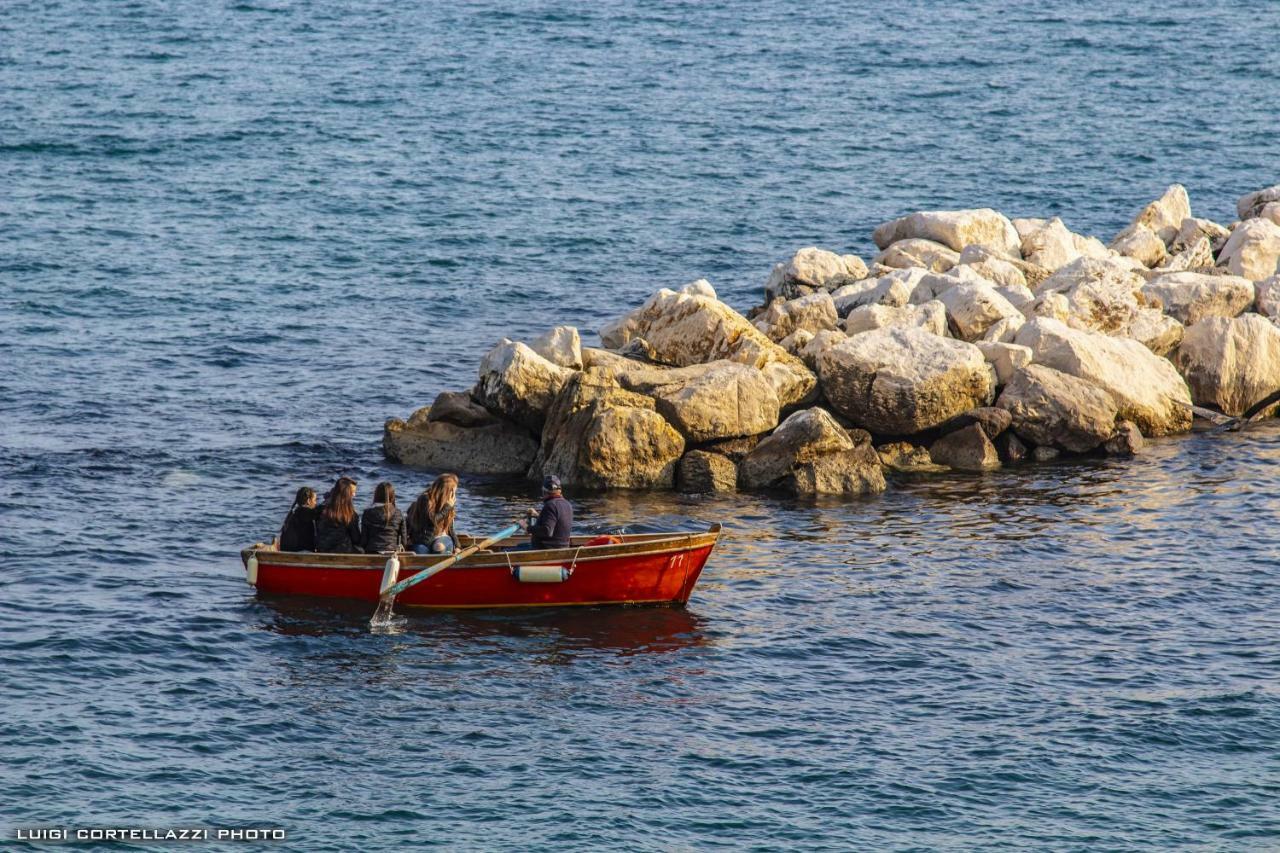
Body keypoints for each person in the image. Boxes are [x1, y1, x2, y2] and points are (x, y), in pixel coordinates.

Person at [406, 473, 459, 555]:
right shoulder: (425, 499)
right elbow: (432, 520)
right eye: (453, 492)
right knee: (420, 553)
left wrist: (458, 546)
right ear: (447, 491)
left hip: (442, 538)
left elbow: (450, 528)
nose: (454, 495)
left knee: (439, 547)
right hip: (422, 540)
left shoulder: (449, 504)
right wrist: (447, 507)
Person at [523, 474, 573, 550]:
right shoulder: (567, 504)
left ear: (544, 492)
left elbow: (547, 531)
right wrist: (537, 515)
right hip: (562, 549)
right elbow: (556, 519)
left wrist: (527, 528)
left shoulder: (551, 505)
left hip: (545, 551)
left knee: (506, 550)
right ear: (560, 490)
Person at [315, 476, 362, 553]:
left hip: (322, 550)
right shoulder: (350, 514)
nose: (354, 495)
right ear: (346, 493)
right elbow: (356, 539)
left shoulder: (320, 509)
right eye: (353, 492)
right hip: (343, 552)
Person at [361, 481, 407, 553]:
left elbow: (364, 540)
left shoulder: (367, 513)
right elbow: (404, 541)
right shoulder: (398, 513)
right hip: (392, 554)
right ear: (392, 496)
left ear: (376, 495)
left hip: (372, 553)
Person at [278, 486, 318, 552]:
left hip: (287, 551)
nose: (316, 503)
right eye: (315, 500)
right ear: (308, 501)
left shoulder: (295, 513)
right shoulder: (304, 512)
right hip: (299, 552)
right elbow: (318, 512)